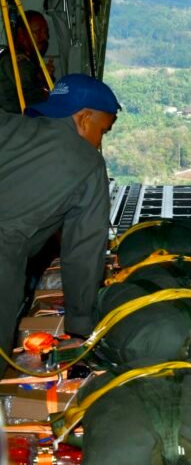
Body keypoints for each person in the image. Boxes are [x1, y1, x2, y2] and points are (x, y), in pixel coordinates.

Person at [0, 73, 120, 377]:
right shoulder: (88, 164)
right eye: (102, 131)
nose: (99, 141)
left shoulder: (8, 125)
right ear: (84, 118)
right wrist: (80, 328)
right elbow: (82, 252)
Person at [0, 10, 53, 113]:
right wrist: (40, 75)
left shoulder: (31, 61)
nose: (44, 37)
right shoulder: (13, 59)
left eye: (46, 32)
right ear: (21, 33)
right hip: (16, 120)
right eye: (38, 31)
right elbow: (24, 75)